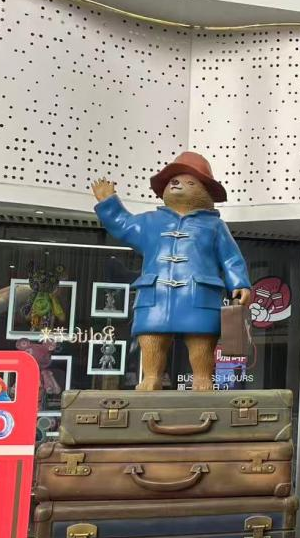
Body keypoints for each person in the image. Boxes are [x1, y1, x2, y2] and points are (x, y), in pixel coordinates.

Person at [92, 151, 251, 391]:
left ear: (205, 192)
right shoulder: (150, 221)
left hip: (199, 294)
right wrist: (109, 202)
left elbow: (230, 257)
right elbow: (124, 225)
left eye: (189, 182)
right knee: (151, 338)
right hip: (156, 293)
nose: (177, 184)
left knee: (201, 341)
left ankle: (202, 378)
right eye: (173, 180)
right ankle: (152, 377)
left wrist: (239, 283)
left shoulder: (215, 225)